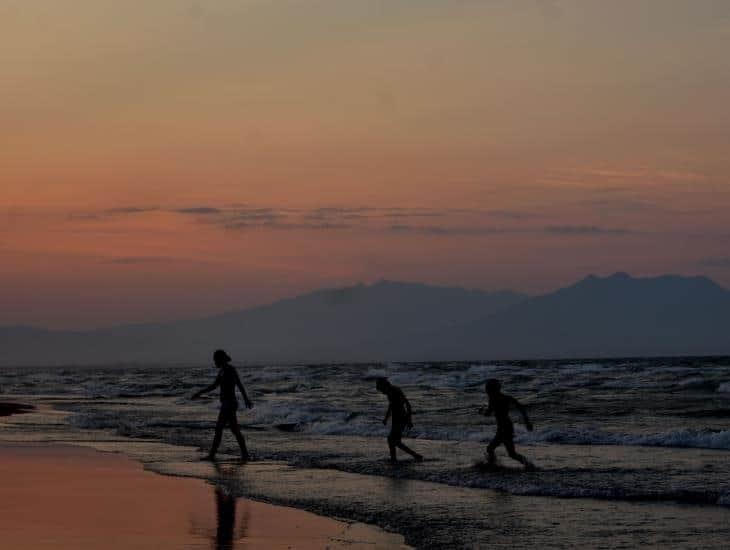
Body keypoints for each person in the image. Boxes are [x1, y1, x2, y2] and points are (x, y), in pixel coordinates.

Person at [192, 349, 253, 461]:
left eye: (215, 360)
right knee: (234, 430)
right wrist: (199, 392)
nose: (214, 362)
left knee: (220, 428)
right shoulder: (222, 371)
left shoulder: (230, 370)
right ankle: (245, 455)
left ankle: (212, 455)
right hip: (227, 403)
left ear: (220, 359)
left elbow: (239, 385)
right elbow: (214, 386)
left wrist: (246, 400)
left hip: (229, 404)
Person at [479, 378, 534, 470]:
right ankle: (529, 465)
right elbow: (521, 407)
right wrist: (527, 422)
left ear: (493, 390)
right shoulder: (501, 398)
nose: (487, 392)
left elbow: (488, 413)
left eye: (488, 389)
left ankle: (492, 465)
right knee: (509, 453)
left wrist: (481, 411)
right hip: (505, 427)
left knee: (493, 449)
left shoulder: (497, 399)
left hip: (504, 428)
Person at [376, 377, 423, 464]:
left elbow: (408, 405)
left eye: (380, 389)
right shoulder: (389, 392)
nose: (381, 392)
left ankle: (416, 456)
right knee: (392, 440)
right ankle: (394, 459)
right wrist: (386, 418)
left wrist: (409, 420)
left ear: (384, 385)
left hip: (401, 418)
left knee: (394, 440)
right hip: (396, 419)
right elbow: (391, 406)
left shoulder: (395, 391)